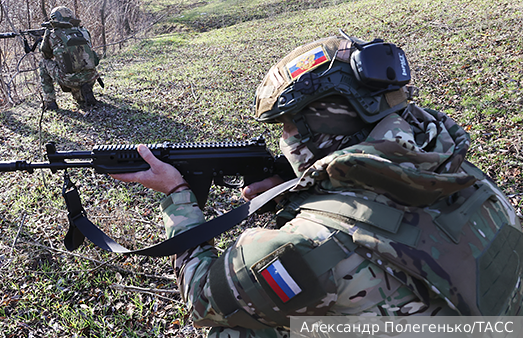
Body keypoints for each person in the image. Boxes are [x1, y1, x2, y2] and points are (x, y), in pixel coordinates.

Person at [111, 33, 523, 337]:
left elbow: (205, 297)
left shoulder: (309, 246)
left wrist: (178, 197)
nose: (285, 138)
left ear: (318, 126)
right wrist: (302, 189)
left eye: (288, 125)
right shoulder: (459, 174)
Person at [39, 6, 100, 110]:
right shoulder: (83, 31)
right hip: (91, 78)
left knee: (43, 63)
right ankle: (83, 95)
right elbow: (94, 58)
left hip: (69, 80)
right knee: (76, 64)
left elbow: (46, 55)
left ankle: (49, 102)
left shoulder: (53, 34)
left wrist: (45, 38)